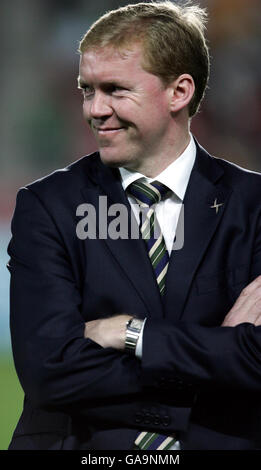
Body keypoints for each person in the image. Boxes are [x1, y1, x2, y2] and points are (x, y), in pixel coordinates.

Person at [7, 1, 261, 451]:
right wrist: (215, 355)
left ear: (179, 92)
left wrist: (131, 333)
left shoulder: (254, 206)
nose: (94, 109)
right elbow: (50, 370)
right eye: (87, 89)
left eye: (116, 90)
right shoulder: (47, 207)